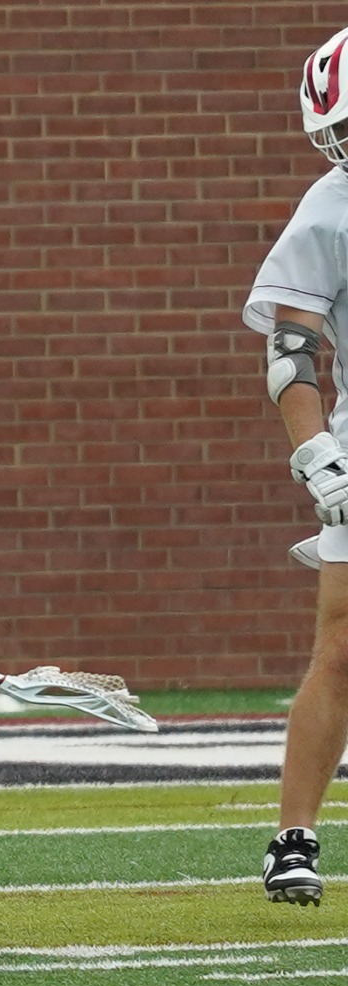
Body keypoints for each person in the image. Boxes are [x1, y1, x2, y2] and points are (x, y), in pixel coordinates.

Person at [240, 26, 348, 908]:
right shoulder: (331, 206)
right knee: (343, 648)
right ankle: (294, 837)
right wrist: (314, 453)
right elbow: (292, 344)